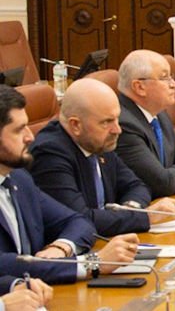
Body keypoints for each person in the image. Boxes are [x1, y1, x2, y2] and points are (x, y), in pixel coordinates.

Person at [0, 85, 136, 284]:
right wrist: (93, 263)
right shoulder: (47, 152)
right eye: (19, 130)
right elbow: (5, 263)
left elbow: (79, 221)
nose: (30, 137)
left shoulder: (19, 178)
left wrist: (62, 247)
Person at [29, 79, 175, 236]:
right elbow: (80, 220)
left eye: (117, 119)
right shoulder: (49, 154)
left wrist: (131, 209)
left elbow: (136, 186)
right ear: (75, 125)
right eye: (107, 122)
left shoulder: (98, 141)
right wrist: (144, 217)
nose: (117, 130)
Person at [114, 50, 175, 198]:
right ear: (139, 87)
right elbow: (162, 183)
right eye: (165, 78)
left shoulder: (158, 114)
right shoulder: (124, 125)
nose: (174, 85)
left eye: (172, 77)